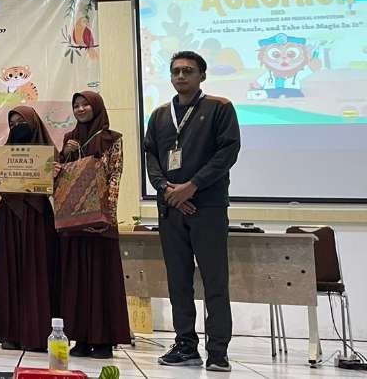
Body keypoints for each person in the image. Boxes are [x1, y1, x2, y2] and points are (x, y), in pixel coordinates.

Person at [144, 51, 241, 372]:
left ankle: (218, 351)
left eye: (188, 71)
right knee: (178, 281)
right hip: (171, 208)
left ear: (202, 75)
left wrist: (193, 186)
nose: (181, 76)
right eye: (175, 72)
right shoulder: (159, 115)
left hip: (208, 206)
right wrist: (166, 190)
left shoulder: (220, 108)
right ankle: (185, 344)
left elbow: (228, 151)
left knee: (215, 281)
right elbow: (152, 158)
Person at [57, 91, 131, 359]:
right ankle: (81, 338)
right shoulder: (69, 139)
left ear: (97, 106)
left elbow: (114, 175)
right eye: (75, 105)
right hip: (73, 222)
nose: (80, 108)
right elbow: (59, 176)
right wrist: (64, 156)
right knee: (76, 280)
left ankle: (104, 340)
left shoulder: (112, 139)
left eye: (85, 104)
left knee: (101, 280)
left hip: (100, 222)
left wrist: (107, 215)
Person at [0, 106, 59, 351]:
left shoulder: (50, 154)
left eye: (22, 121)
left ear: (34, 123)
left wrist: (57, 174)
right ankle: (10, 332)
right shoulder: (3, 153)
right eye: (13, 123)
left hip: (38, 217)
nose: (17, 126)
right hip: (9, 215)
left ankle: (38, 332)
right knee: (9, 271)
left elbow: (60, 188)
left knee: (37, 271)